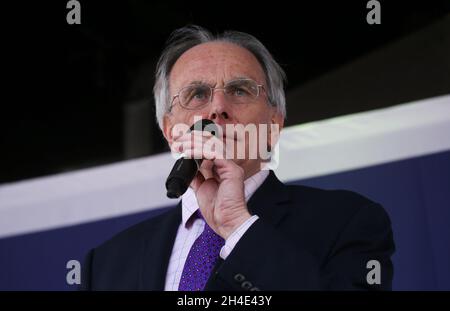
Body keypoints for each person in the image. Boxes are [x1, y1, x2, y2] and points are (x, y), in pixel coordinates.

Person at [80, 25, 395, 291]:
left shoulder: (348, 221)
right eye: (197, 94)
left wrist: (238, 226)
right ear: (169, 130)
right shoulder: (106, 264)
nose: (218, 107)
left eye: (240, 90)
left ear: (274, 124)